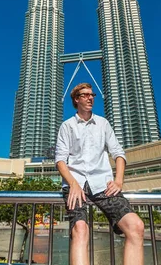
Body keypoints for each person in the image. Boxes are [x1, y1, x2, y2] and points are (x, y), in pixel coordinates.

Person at [55, 82, 144, 265]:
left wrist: (118, 181)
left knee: (136, 226)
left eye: (92, 95)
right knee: (80, 229)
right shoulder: (67, 126)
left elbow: (119, 154)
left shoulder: (103, 123)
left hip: (103, 184)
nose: (90, 98)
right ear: (76, 99)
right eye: (86, 95)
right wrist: (72, 183)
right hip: (76, 184)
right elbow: (60, 160)